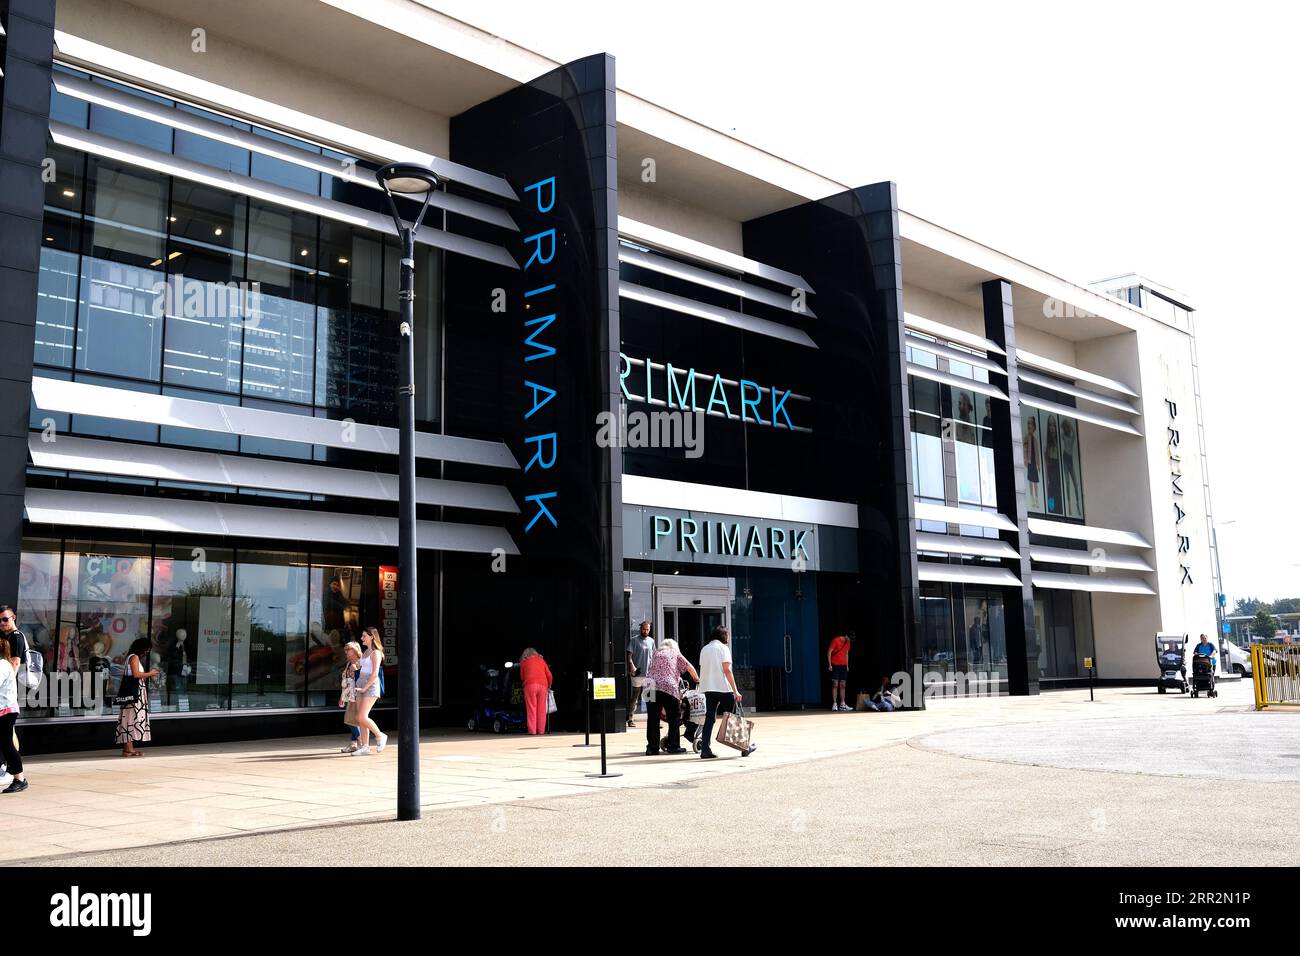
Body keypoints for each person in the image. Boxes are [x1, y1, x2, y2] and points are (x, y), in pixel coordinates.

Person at [698, 626, 756, 759]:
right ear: (723, 636)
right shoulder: (723, 649)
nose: (729, 638)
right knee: (735, 717)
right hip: (724, 688)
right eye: (728, 635)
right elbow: (727, 670)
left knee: (710, 719)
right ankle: (745, 747)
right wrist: (736, 691)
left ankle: (705, 749)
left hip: (708, 688)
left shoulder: (704, 649)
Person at [644, 638, 699, 756]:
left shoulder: (656, 653)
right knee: (674, 716)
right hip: (667, 685)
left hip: (649, 685)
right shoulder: (675, 653)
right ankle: (673, 746)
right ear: (674, 646)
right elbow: (689, 667)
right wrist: (697, 679)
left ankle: (652, 748)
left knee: (652, 718)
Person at [116, 637, 159, 757]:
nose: (147, 652)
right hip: (135, 692)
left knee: (129, 719)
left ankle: (128, 749)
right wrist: (151, 673)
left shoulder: (131, 657)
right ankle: (129, 749)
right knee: (132, 719)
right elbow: (136, 674)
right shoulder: (134, 657)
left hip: (134, 692)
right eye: (147, 649)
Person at [0, 606, 27, 784]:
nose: (2, 623)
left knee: (8, 737)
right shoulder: (6, 637)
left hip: (6, 696)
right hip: (6, 696)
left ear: (14, 618)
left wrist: (7, 683)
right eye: (0, 620)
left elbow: (15, 664)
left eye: (5, 619)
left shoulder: (16, 637)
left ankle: (14, 771)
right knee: (7, 737)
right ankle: (12, 769)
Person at [349, 630, 388, 755]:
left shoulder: (376, 653)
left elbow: (374, 673)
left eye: (364, 636)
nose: (362, 638)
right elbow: (360, 666)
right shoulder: (366, 652)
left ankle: (380, 736)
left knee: (362, 716)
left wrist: (365, 688)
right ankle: (365, 747)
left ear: (372, 637)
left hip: (370, 686)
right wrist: (354, 666)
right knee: (360, 719)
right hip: (361, 683)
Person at [626, 620, 655, 727]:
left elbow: (654, 657)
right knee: (635, 696)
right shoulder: (634, 640)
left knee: (650, 698)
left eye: (647, 629)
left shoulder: (651, 641)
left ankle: (653, 720)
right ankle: (630, 718)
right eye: (644, 629)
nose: (645, 631)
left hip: (649, 673)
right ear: (640, 629)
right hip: (637, 673)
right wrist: (632, 666)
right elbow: (629, 656)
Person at [519, 647, 553, 736]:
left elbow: (522, 677)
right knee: (542, 709)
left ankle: (532, 731)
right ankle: (541, 731)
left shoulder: (523, 662)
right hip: (543, 686)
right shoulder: (541, 660)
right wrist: (549, 685)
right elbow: (549, 675)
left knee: (531, 708)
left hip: (530, 685)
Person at [338, 641, 362, 753]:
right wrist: (342, 696)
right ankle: (354, 744)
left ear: (355, 650)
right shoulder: (348, 663)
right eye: (346, 649)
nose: (346, 651)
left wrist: (356, 669)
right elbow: (346, 681)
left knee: (349, 719)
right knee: (352, 720)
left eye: (349, 649)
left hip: (357, 695)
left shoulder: (360, 662)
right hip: (349, 695)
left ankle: (361, 742)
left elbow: (361, 680)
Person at [827, 631, 852, 711]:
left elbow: (846, 653)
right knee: (835, 684)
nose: (850, 640)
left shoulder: (848, 642)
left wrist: (847, 665)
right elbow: (829, 651)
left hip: (843, 665)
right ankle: (834, 704)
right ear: (846, 635)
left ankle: (842, 704)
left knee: (843, 684)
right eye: (850, 638)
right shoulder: (836, 640)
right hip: (835, 665)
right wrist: (830, 664)